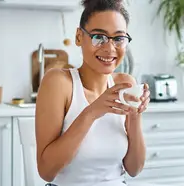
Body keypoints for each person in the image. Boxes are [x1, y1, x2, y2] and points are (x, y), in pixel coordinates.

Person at [34, 0, 149, 185]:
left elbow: (134, 169)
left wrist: (134, 117)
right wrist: (92, 112)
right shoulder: (58, 83)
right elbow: (46, 171)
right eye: (98, 37)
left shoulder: (126, 84)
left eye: (118, 38)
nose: (109, 48)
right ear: (79, 37)